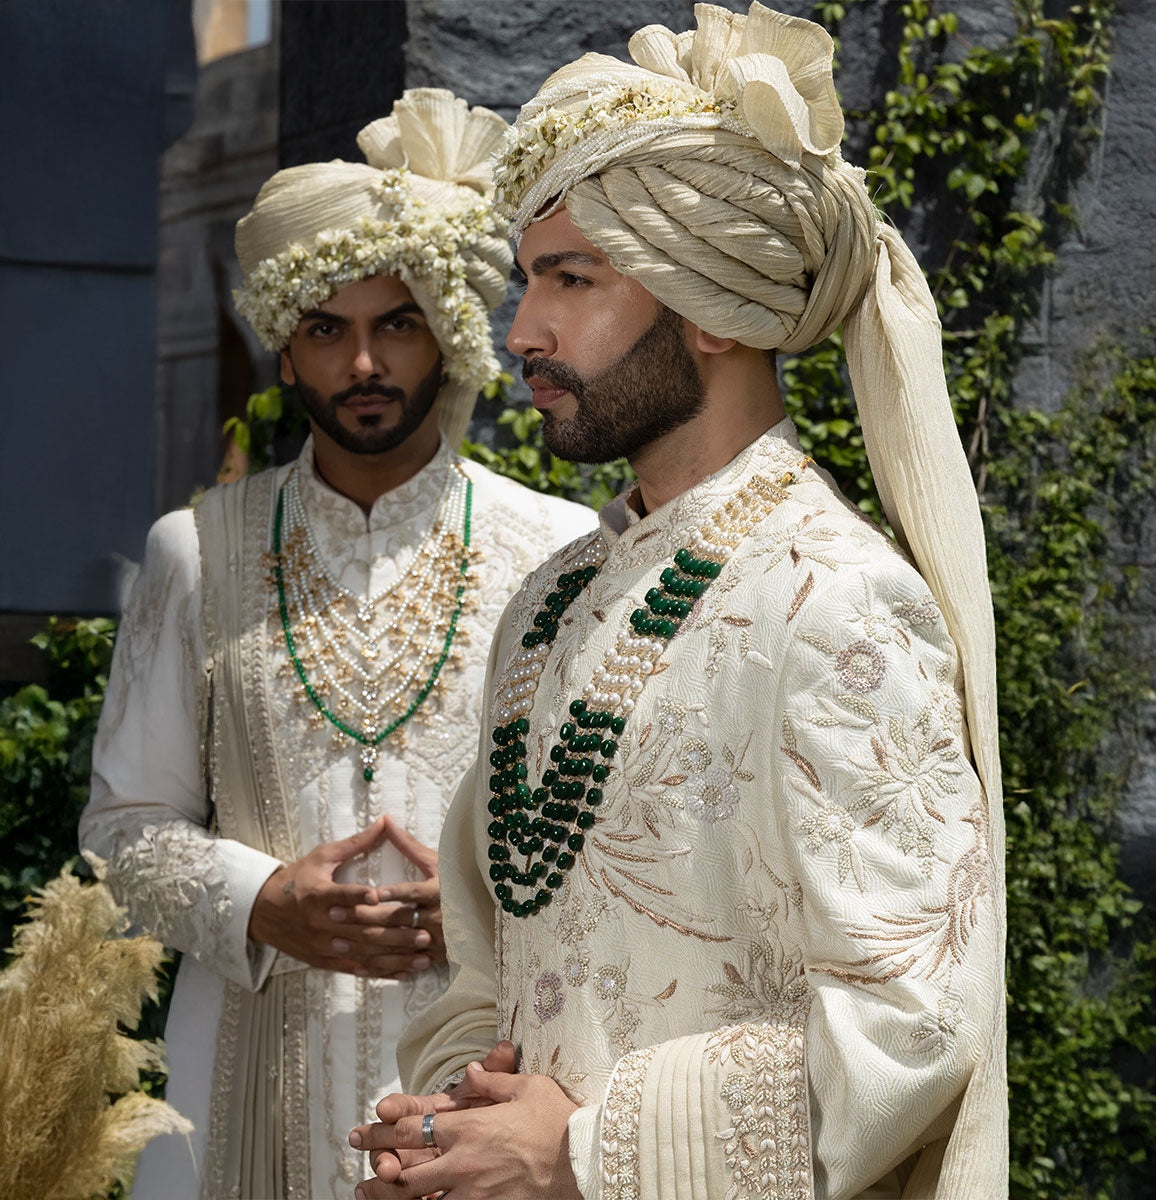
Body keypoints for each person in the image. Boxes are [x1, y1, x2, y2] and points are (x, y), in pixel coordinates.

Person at [351, 8, 1006, 1200]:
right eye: (528, 279)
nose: (522, 330)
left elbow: (913, 1025)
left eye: (572, 278)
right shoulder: (549, 604)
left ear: (713, 307)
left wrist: (583, 1153)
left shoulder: (838, 602)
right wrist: (456, 1122)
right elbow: (493, 958)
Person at [79, 87, 596, 1199]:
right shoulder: (195, 553)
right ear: (284, 350)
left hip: (486, 1074)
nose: (363, 363)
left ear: (446, 333)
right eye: (326, 329)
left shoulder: (556, 550)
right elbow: (122, 830)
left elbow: (611, 836)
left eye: (396, 323)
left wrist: (485, 903)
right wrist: (261, 899)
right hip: (240, 1072)